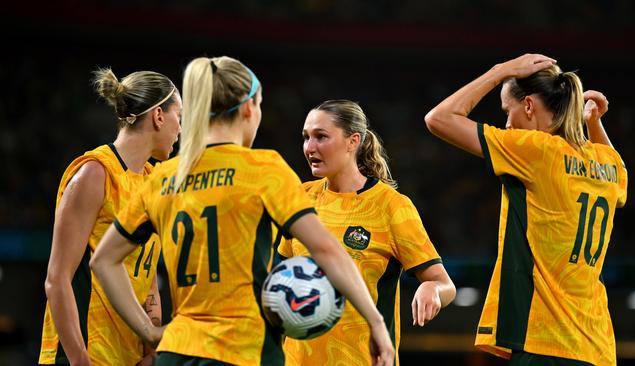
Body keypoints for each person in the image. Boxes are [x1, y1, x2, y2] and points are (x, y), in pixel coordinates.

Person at [89, 56, 395, 366]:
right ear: (249, 108)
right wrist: (376, 322)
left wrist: (150, 332)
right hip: (243, 351)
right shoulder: (263, 170)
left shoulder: (164, 177)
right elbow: (326, 249)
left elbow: (102, 260)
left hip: (176, 352)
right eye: (260, 104)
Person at [424, 54, 627, 365]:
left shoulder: (536, 149)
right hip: (596, 345)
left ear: (529, 106)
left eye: (508, 110)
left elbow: (438, 119)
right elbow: (620, 174)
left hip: (545, 341)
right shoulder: (605, 162)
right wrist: (594, 124)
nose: (507, 122)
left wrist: (499, 71)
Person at [278, 100, 456, 366]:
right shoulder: (300, 197)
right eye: (306, 137)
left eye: (321, 137)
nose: (309, 148)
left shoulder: (391, 206)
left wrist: (432, 288)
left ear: (353, 141)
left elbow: (446, 286)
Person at [39, 68, 182, 366]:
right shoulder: (95, 173)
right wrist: (79, 358)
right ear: (158, 116)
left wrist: (149, 343)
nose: (180, 128)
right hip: (86, 353)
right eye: (178, 116)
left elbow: (147, 274)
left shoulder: (155, 181)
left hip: (127, 355)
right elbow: (57, 278)